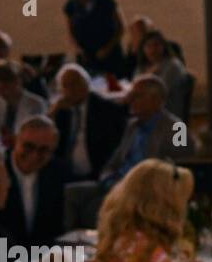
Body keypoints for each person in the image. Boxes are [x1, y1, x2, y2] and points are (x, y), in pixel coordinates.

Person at [62, 75, 189, 231]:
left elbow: (181, 163)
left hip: (144, 187)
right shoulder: (132, 126)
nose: (129, 99)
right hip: (115, 181)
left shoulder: (177, 127)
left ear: (156, 100)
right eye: (131, 94)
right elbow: (114, 160)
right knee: (71, 193)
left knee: (96, 207)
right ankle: (70, 246)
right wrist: (107, 177)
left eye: (137, 95)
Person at [0, 116, 66, 247]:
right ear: (14, 141)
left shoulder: (57, 172)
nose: (34, 155)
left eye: (43, 150)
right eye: (28, 146)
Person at [50, 63, 128, 179]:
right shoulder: (61, 111)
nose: (71, 89)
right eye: (66, 86)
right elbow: (51, 144)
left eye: (75, 83)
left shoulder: (107, 109)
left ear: (87, 84)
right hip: (66, 175)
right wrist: (52, 113)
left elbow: (112, 149)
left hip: (97, 173)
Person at [63, 0, 129, 77]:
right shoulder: (71, 6)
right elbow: (69, 31)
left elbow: (121, 27)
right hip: (86, 56)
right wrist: (78, 49)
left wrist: (108, 48)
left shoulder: (105, 1)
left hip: (110, 53)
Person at [0, 59, 48, 146]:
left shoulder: (36, 104)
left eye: (4, 88)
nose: (1, 93)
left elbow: (34, 136)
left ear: (17, 82)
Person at [135, 30, 191, 121]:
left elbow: (160, 92)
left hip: (167, 113)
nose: (152, 50)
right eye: (148, 46)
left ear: (163, 47)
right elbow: (134, 86)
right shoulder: (142, 66)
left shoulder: (172, 65)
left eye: (156, 45)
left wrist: (148, 75)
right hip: (145, 111)